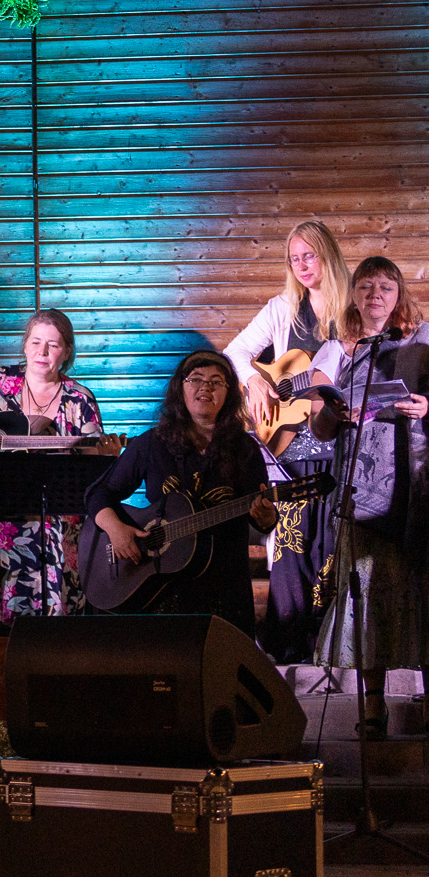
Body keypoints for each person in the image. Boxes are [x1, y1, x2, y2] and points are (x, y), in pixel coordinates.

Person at [306, 257, 429, 739]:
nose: (376, 294)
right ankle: (373, 709)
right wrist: (335, 413)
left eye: (386, 286)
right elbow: (319, 429)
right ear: (354, 294)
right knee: (366, 599)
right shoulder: (338, 350)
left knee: (421, 595)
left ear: (399, 295)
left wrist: (427, 406)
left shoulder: (423, 343)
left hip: (416, 491)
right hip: (361, 497)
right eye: (366, 286)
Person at [223, 219, 350, 661]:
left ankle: (330, 650)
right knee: (292, 552)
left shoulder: (352, 309)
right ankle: (290, 650)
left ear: (327, 254)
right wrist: (254, 382)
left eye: (309, 255)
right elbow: (234, 353)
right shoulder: (282, 308)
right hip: (291, 450)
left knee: (332, 548)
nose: (302, 265)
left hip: (342, 448)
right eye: (294, 259)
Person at [86, 350, 276, 633]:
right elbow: (98, 493)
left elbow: (262, 519)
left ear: (229, 394)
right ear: (180, 388)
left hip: (225, 589)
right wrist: (116, 530)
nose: (205, 387)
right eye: (195, 379)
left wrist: (267, 518)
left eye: (216, 381)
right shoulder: (152, 443)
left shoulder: (245, 449)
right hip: (163, 590)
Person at [0, 309, 102, 621]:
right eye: (36, 342)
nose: (42, 352)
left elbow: (94, 467)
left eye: (53, 345)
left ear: (67, 352)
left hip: (55, 518)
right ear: (24, 345)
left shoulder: (79, 399)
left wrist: (105, 454)